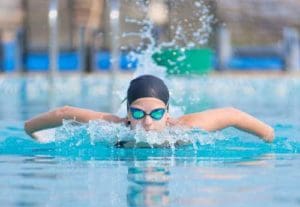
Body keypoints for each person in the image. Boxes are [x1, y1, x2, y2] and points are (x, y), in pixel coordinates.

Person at [24, 74, 275, 142]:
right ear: (127, 114)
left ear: (167, 112)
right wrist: (32, 133)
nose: (147, 123)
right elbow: (64, 112)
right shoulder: (113, 126)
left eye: (156, 114)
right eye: (137, 113)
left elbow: (232, 114)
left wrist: (269, 140)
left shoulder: (185, 128)